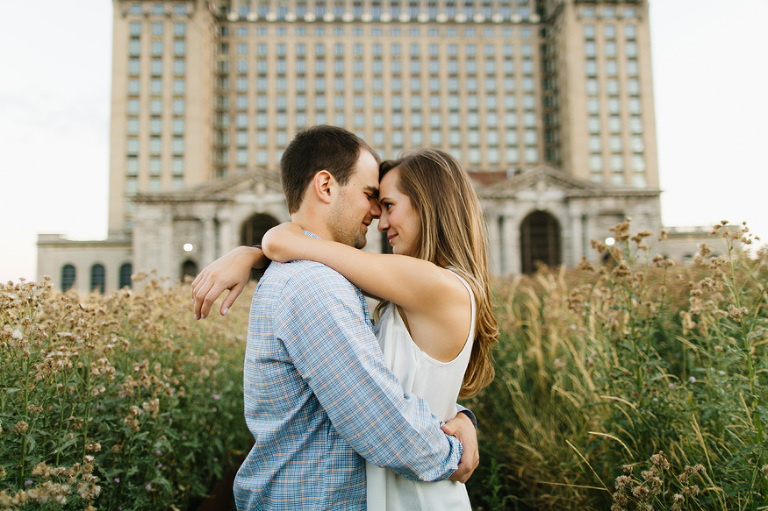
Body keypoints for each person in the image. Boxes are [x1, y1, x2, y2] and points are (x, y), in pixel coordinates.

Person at [192, 126, 479, 510]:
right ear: (326, 187)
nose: (378, 216)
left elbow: (283, 241)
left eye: (387, 204)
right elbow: (382, 421)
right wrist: (454, 445)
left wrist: (254, 251)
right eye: (371, 196)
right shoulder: (314, 285)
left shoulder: (346, 278)